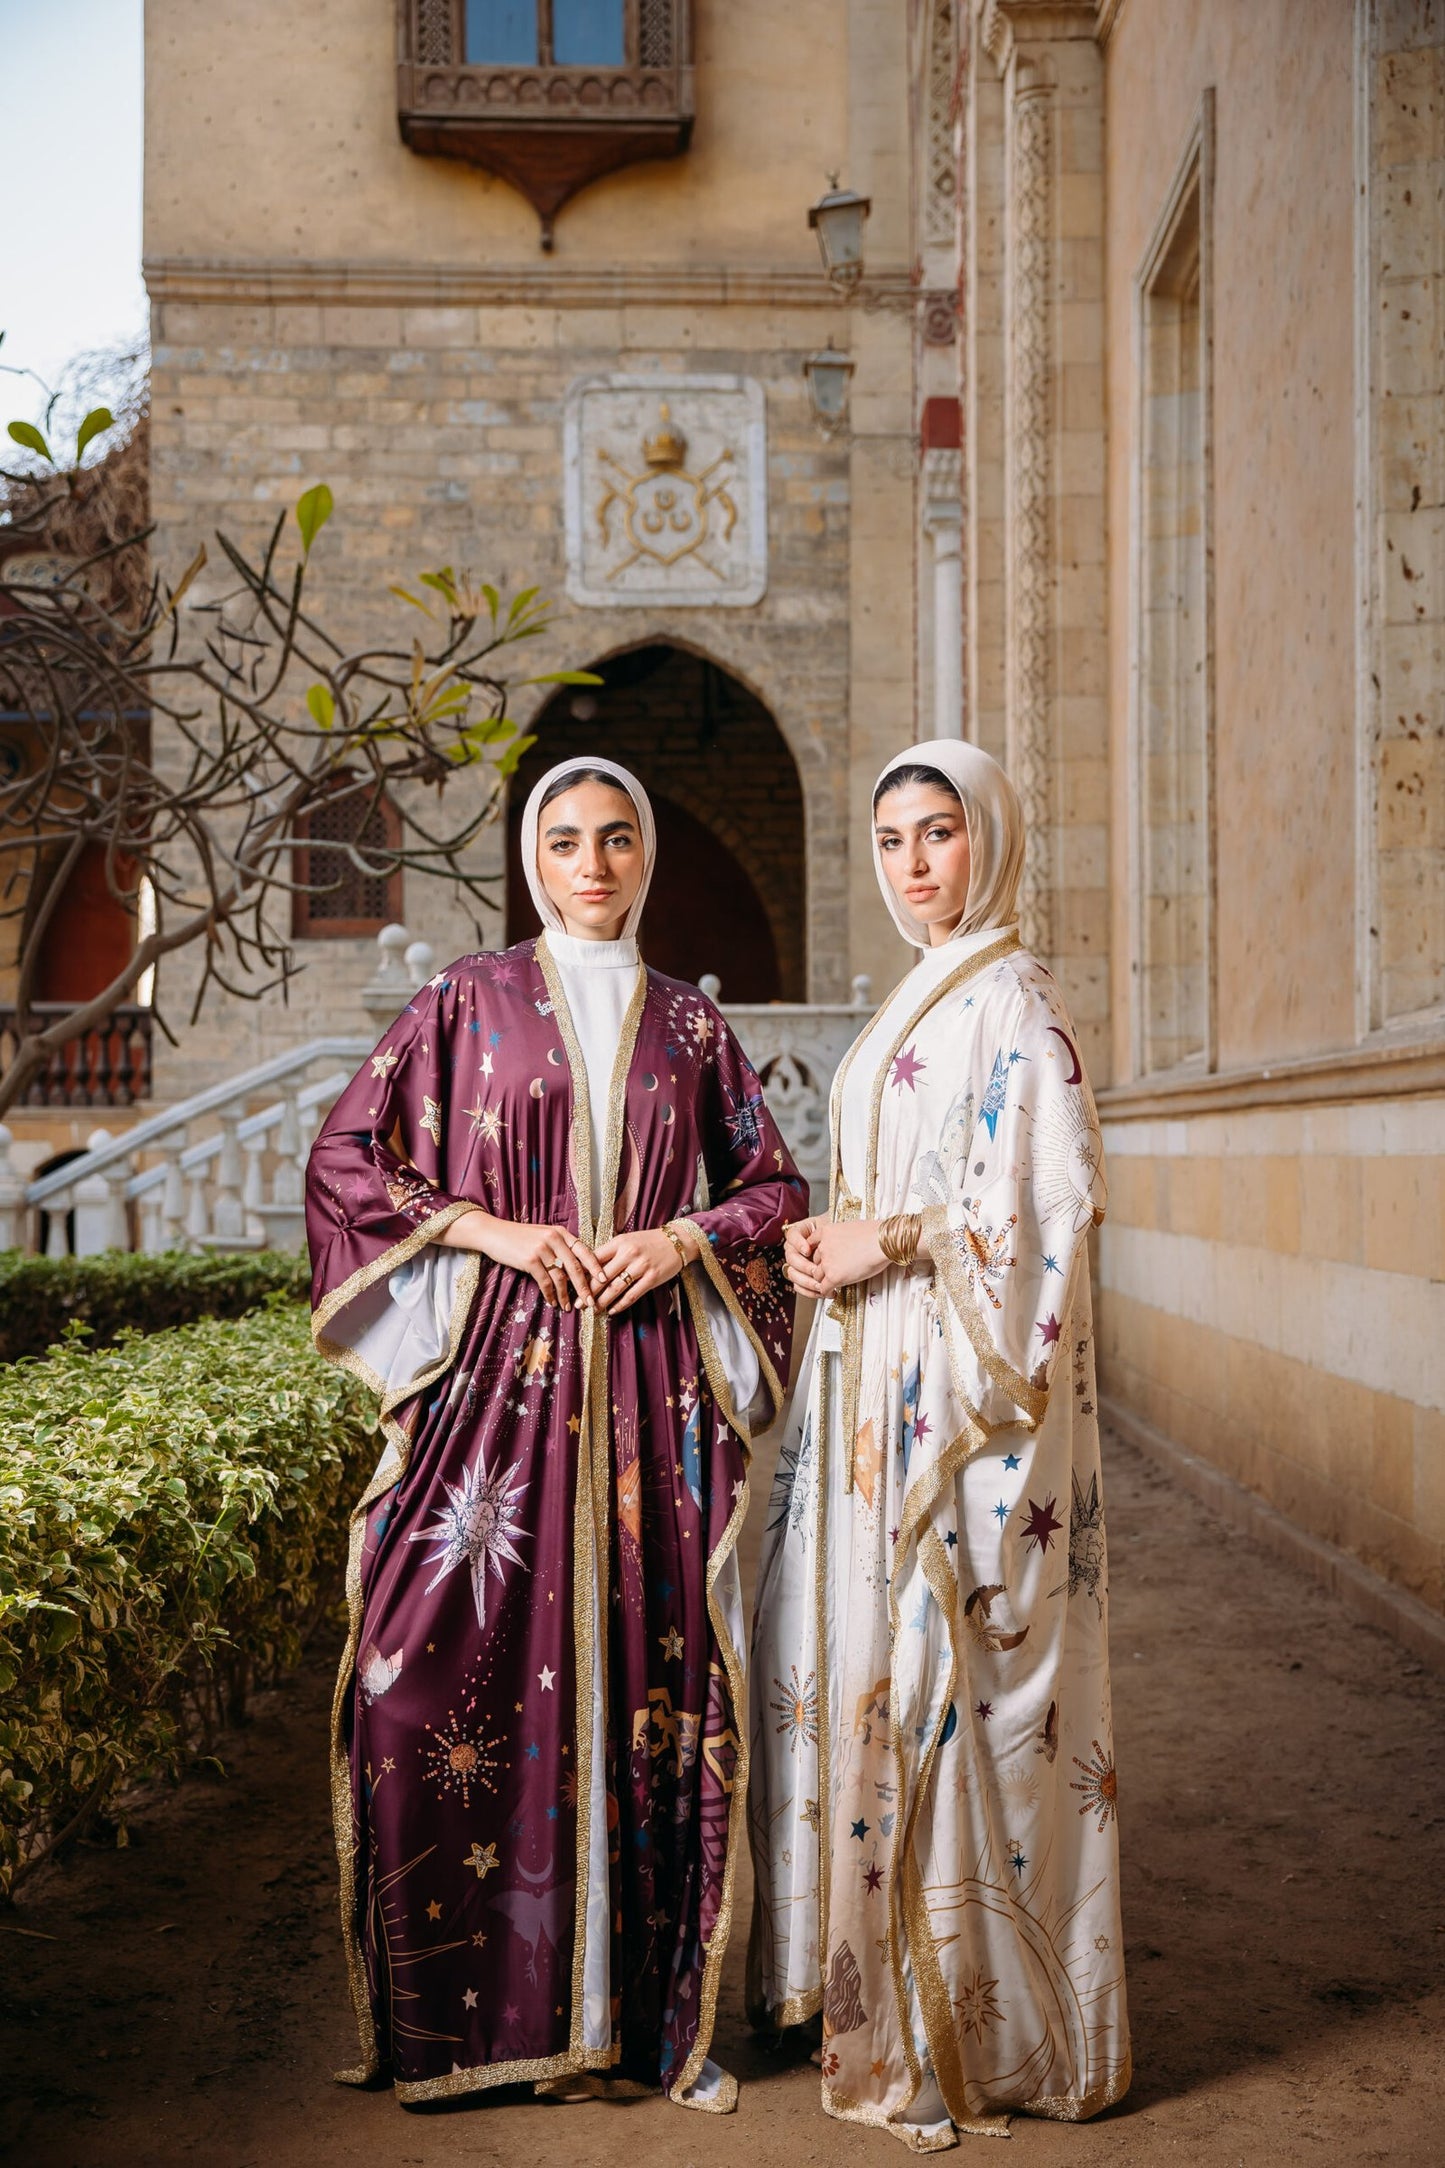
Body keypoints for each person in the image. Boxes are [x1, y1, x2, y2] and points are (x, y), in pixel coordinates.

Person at [307, 756, 804, 2112]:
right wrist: (493, 1229)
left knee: (648, 1691)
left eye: (618, 838)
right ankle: (471, 2022)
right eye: (568, 840)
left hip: (648, 1399)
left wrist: (678, 1237)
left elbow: (770, 1188)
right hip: (493, 1396)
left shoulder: (692, 1029)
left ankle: (627, 2027)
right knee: (414, 1684)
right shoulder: (463, 1002)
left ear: (647, 856)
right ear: (532, 857)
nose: (592, 863)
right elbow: (348, 1161)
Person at [748, 739, 1129, 2147]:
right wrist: (828, 1246)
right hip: (878, 1381)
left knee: (945, 1671)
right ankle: (877, 1995)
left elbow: (1045, 1209)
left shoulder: (1013, 997)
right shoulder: (926, 989)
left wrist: (888, 1239)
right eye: (891, 838)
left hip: (963, 1415)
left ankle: (984, 2031)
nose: (913, 864)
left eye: (939, 834)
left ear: (993, 842)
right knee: (872, 1670)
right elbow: (895, 1182)